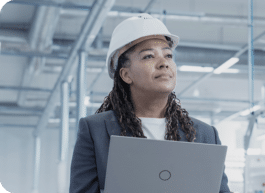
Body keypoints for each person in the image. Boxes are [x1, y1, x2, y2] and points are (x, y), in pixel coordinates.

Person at [69, 13, 231, 193]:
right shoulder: (95, 131)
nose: (164, 63)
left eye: (168, 55)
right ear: (126, 75)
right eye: (148, 56)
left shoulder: (206, 135)